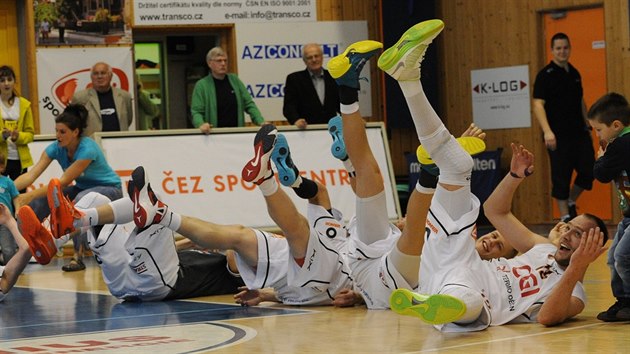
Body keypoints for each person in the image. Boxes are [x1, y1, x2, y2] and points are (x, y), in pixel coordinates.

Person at [376, 20, 608, 331]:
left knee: (471, 303)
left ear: (595, 248)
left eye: (579, 233)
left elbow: (548, 317)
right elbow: (494, 211)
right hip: (461, 260)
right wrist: (513, 176)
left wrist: (578, 267)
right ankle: (408, 78)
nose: (566, 233)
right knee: (458, 166)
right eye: (569, 225)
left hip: (476, 295)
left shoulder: (576, 294)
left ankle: (440, 304)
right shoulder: (540, 247)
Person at [15, 185, 244, 302]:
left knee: (155, 207)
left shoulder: (239, 273)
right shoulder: (211, 257)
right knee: (96, 199)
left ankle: (76, 221)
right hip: (126, 283)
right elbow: (168, 253)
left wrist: (220, 240)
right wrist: (194, 242)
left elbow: (235, 248)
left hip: (160, 285)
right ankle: (51, 239)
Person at [14, 104, 122, 272]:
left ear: (75, 132)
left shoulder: (88, 148)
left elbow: (63, 181)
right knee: (38, 203)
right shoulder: (56, 148)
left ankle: (77, 257)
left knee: (77, 202)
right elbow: (31, 175)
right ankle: (31, 249)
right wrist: (9, 188)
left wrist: (28, 195)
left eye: (62, 132)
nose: (57, 136)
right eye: (56, 131)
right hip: (82, 188)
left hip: (109, 190)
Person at [532, 32, 594, 222]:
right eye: (558, 48)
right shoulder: (545, 75)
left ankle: (571, 200)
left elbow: (580, 101)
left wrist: (588, 124)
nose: (562, 51)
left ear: (570, 49)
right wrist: (547, 131)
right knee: (561, 177)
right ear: (552, 50)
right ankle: (565, 217)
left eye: (565, 47)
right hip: (557, 136)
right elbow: (537, 104)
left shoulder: (574, 73)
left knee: (589, 170)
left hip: (579, 133)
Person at [586, 92, 630, 322]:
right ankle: (623, 301)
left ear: (616, 125)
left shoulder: (621, 144)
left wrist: (601, 157)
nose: (598, 135)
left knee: (622, 256)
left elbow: (601, 174)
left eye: (599, 130)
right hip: (628, 217)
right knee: (613, 257)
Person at [190, 47, 265, 134]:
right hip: (212, 136)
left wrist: (261, 121)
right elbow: (196, 112)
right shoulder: (202, 85)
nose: (223, 63)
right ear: (209, 63)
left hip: (236, 134)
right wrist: (201, 124)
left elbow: (249, 104)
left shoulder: (235, 80)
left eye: (225, 60)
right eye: (219, 61)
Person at [283, 43, 340, 129]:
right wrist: (296, 120)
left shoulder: (334, 77)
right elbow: (289, 107)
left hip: (332, 130)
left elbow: (342, 104)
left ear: (322, 57)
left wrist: (354, 119)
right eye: (309, 57)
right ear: (304, 61)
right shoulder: (294, 79)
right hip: (306, 132)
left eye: (316, 56)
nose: (314, 60)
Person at [71, 62, 134, 137]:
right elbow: (74, 124)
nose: (99, 76)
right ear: (91, 77)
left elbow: (128, 120)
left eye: (103, 73)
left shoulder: (124, 96)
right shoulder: (79, 97)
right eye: (95, 73)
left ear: (110, 76)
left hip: (120, 143)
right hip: (92, 145)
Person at [0, 66, 35, 192]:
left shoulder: (25, 104)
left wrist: (18, 137)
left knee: (19, 195)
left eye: (9, 79)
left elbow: (30, 134)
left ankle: (18, 213)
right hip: (1, 159)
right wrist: (2, 136)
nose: (6, 83)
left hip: (20, 160)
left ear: (15, 81)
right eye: (2, 80)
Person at [0, 204, 32, 301]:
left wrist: (8, 220)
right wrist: (8, 220)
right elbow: (26, 248)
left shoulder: (4, 279)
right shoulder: (4, 279)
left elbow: (26, 248)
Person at [0, 152, 19, 265]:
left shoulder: (8, 182)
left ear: (2, 167)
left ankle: (12, 268)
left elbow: (16, 197)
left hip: (6, 221)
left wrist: (18, 210)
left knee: (8, 249)